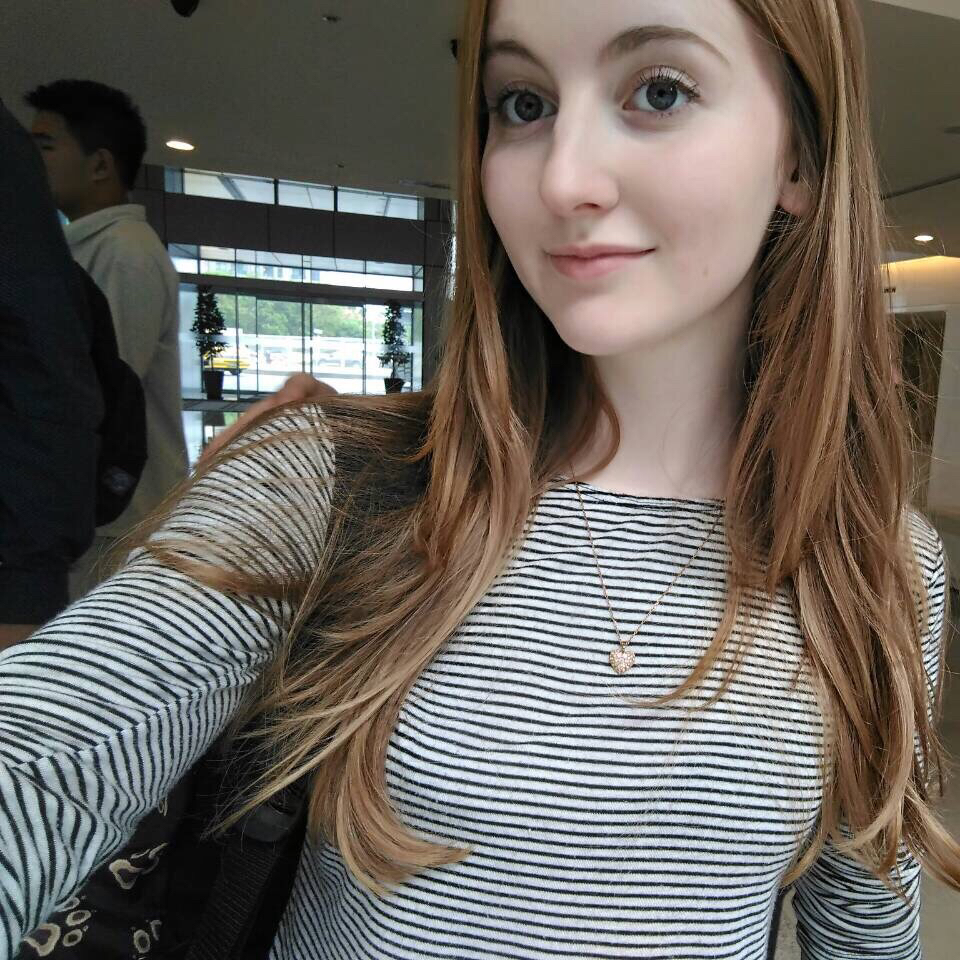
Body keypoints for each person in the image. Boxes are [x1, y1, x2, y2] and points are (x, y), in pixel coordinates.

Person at [1, 1, 957, 958]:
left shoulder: (880, 563)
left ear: (798, 158)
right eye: (523, 103)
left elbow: (866, 927)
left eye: (660, 91)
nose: (562, 179)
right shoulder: (325, 483)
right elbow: (45, 758)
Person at [26, 79, 188, 596]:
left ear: (99, 165)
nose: (31, 162)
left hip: (122, 513)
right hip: (104, 512)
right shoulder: (84, 250)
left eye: (45, 146)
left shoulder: (124, 253)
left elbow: (104, 393)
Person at [0, 99, 101, 650]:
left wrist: (26, 579)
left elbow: (48, 374)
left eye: (49, 146)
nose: (42, 162)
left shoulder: (125, 254)